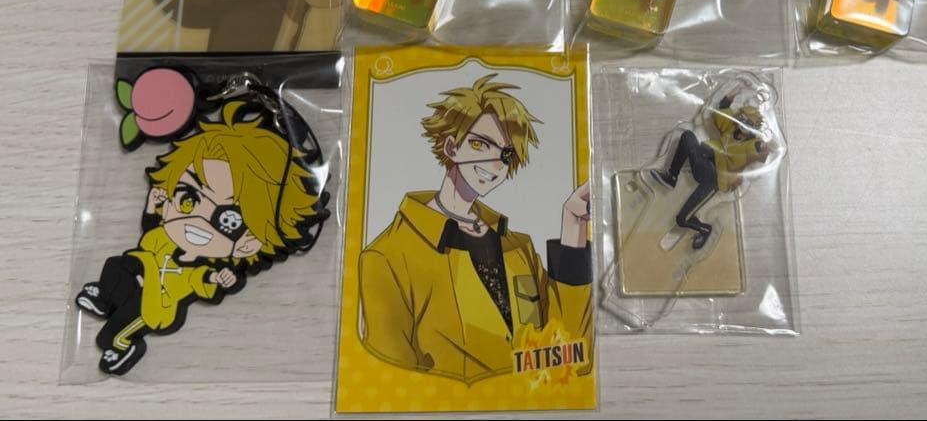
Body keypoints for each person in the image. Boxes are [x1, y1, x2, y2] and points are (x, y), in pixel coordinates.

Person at [359, 74, 591, 384]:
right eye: (480, 143)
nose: (494, 162)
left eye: (505, 154)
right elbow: (389, 382)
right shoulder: (387, 257)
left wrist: (574, 224)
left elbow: (570, 354)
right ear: (451, 147)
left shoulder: (518, 248)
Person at [75, 102, 327, 375]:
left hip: (155, 306)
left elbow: (205, 279)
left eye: (227, 218)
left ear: (247, 243)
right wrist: (152, 205)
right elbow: (151, 230)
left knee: (115, 330)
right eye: (188, 198)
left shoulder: (198, 270)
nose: (198, 219)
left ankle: (123, 345)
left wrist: (222, 278)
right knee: (117, 264)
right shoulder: (164, 238)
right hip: (136, 277)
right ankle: (104, 298)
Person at [650, 97, 770, 250]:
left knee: (682, 219)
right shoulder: (730, 129)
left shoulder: (750, 145)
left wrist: (765, 143)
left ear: (753, 128)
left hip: (714, 178)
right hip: (703, 162)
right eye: (741, 119)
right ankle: (672, 177)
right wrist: (737, 89)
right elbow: (723, 107)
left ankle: (705, 230)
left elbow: (761, 149)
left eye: (747, 123)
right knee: (688, 136)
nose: (742, 123)